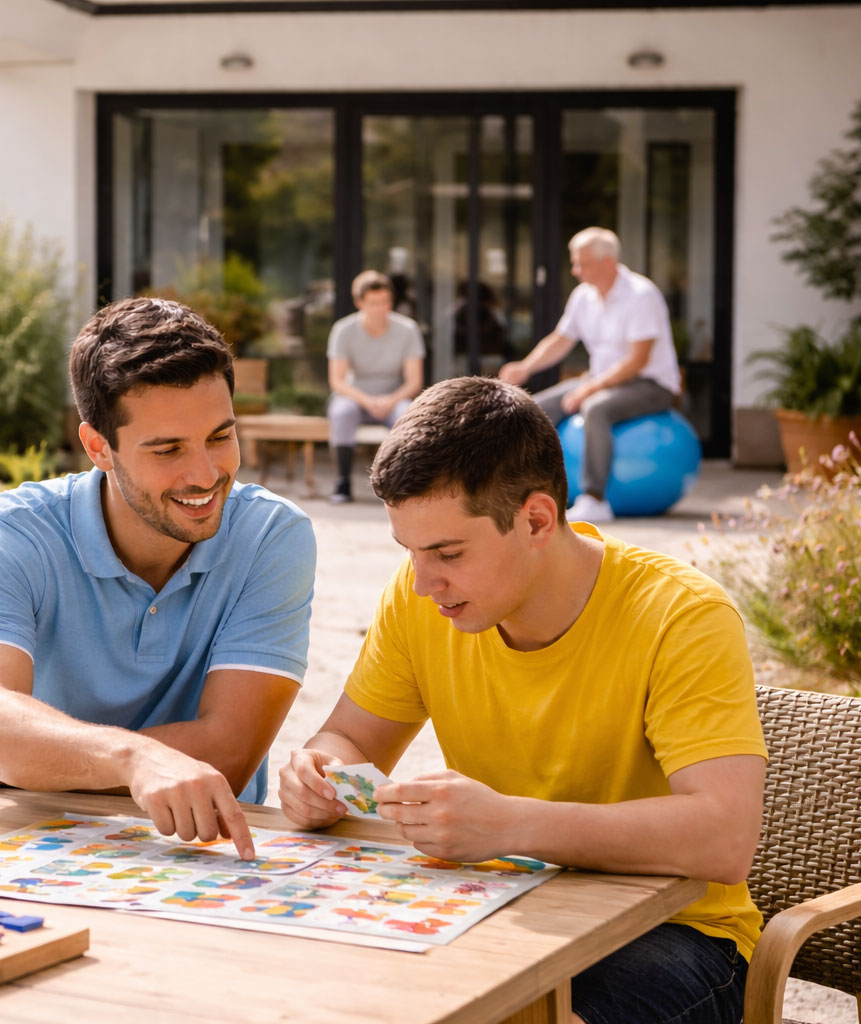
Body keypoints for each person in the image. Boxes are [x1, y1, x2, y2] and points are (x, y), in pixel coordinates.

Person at [279, 376, 767, 1024]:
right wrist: (317, 773)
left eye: (448, 552)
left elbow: (723, 837)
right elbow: (351, 740)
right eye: (411, 552)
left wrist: (507, 825)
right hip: (501, 903)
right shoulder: (424, 594)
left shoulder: (682, 616)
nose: (423, 582)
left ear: (536, 519)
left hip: (680, 937)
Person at [0, 296, 316, 860]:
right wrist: (133, 760)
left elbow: (227, 751)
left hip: (188, 848)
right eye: (168, 448)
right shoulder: (8, 534)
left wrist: (31, 760)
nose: (204, 473)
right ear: (98, 447)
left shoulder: (271, 537)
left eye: (220, 437)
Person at [498, 227, 682, 523]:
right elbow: (560, 339)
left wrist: (590, 389)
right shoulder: (584, 296)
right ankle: (523, 487)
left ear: (607, 262)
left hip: (651, 384)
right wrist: (526, 367)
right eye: (574, 262)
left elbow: (638, 360)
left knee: (595, 409)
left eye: (581, 263)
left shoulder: (641, 295)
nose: (575, 270)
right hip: (600, 379)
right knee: (533, 408)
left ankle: (594, 499)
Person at [326, 270, 425, 504]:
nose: (381, 308)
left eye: (385, 302)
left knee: (407, 415)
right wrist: (367, 400)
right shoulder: (343, 330)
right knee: (342, 412)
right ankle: (343, 482)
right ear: (359, 303)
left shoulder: (408, 330)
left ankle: (400, 485)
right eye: (374, 303)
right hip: (355, 396)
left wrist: (390, 400)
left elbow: (414, 381)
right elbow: (337, 381)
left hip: (394, 396)